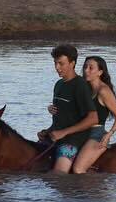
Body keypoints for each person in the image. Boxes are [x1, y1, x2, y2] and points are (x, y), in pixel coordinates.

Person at [39, 44, 99, 174]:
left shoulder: (80, 85)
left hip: (73, 141)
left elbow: (93, 118)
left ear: (72, 63)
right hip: (55, 137)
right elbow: (64, 117)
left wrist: (63, 133)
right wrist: (48, 131)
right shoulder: (59, 84)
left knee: (58, 176)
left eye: (61, 63)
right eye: (55, 63)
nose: (57, 68)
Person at [72, 54, 116, 174]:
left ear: (100, 72)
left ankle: (92, 192)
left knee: (78, 169)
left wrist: (108, 135)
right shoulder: (84, 88)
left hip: (96, 135)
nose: (86, 70)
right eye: (85, 67)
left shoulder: (104, 91)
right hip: (79, 131)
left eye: (91, 68)